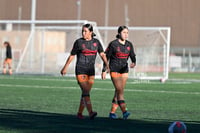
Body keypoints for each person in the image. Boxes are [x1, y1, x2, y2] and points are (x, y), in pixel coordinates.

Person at [61, 23, 109, 119]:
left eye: (85, 31)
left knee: (85, 93)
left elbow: (103, 55)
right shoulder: (78, 42)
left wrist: (107, 65)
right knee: (86, 91)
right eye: (82, 31)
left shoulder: (97, 42)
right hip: (80, 69)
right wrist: (65, 67)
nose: (83, 33)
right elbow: (72, 55)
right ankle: (91, 112)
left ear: (91, 32)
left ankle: (79, 113)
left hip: (91, 71)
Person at [102, 26, 136, 119]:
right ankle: (125, 112)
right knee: (120, 91)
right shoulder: (113, 44)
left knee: (119, 91)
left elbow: (132, 55)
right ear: (119, 33)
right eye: (124, 32)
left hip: (124, 70)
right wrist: (104, 70)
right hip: (114, 70)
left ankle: (112, 113)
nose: (126, 34)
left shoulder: (129, 44)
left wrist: (134, 62)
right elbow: (106, 57)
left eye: (127, 33)